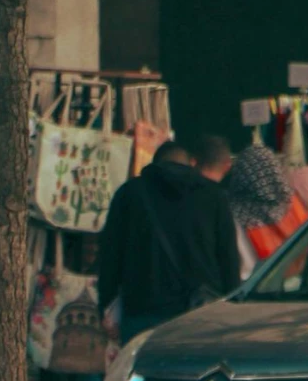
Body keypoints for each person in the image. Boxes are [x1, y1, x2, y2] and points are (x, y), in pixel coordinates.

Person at [97, 139, 240, 341]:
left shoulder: (128, 194)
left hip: (142, 311)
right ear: (192, 163)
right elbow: (228, 258)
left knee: (142, 371)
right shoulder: (214, 196)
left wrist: (105, 306)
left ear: (155, 164)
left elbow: (110, 256)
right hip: (200, 313)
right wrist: (231, 308)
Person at [224, 143, 308, 278]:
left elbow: (243, 268)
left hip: (258, 290)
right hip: (300, 288)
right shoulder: (293, 204)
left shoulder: (233, 212)